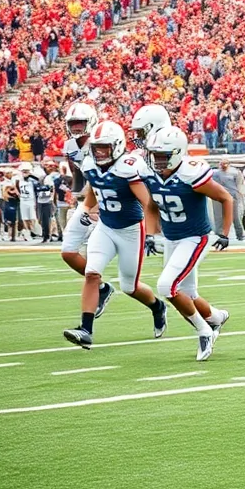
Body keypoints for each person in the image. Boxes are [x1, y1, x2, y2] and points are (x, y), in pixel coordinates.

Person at [63, 121, 171, 349]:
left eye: (105, 147)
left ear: (118, 146)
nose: (99, 152)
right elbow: (95, 189)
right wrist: (85, 210)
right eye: (97, 147)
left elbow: (148, 203)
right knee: (92, 273)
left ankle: (157, 307)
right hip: (105, 227)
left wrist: (151, 234)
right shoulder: (91, 164)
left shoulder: (128, 167)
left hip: (131, 230)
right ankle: (86, 330)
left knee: (129, 286)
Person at [143, 126, 232, 361]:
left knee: (166, 287)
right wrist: (151, 235)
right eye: (155, 155)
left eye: (162, 155)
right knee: (187, 294)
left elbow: (225, 197)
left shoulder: (190, 174)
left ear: (177, 152)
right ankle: (215, 317)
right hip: (172, 238)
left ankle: (204, 331)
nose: (157, 160)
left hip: (195, 237)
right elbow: (152, 206)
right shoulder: (152, 175)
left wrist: (224, 232)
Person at [59, 103, 113, 314]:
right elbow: (79, 174)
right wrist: (78, 196)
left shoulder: (101, 142)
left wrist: (96, 204)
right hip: (89, 199)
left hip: (108, 199)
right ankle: (101, 287)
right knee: (68, 251)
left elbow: (109, 177)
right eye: (73, 123)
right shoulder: (70, 146)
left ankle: (155, 305)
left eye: (80, 123)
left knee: (129, 281)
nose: (76, 127)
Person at [210, 158, 245, 241]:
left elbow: (239, 184)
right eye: (222, 163)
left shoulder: (235, 172)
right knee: (218, 216)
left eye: (225, 163)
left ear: (229, 164)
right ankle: (219, 234)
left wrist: (240, 194)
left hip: (232, 195)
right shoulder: (214, 173)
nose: (223, 165)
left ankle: (240, 234)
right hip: (218, 195)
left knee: (235, 216)